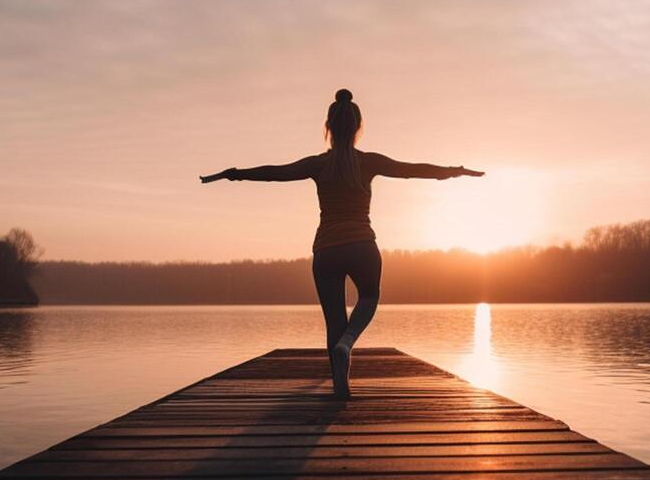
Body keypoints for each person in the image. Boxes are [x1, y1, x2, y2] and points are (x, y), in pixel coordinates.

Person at [201, 88, 483, 397]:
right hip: (363, 245)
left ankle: (340, 386)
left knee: (333, 318)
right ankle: (348, 343)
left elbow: (274, 173)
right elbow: (414, 170)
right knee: (370, 296)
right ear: (358, 127)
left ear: (328, 127)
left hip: (326, 249)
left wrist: (237, 174)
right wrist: (455, 172)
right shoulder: (369, 162)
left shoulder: (318, 164)